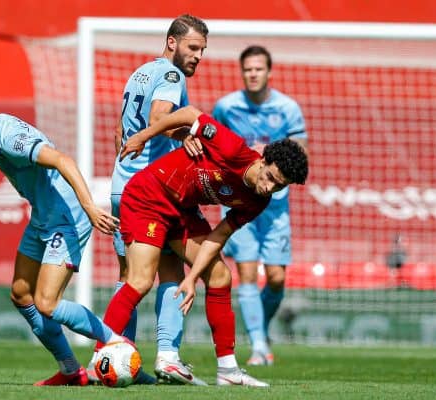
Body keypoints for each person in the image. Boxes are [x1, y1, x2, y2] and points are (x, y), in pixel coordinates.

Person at [100, 105, 308, 387]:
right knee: (140, 280)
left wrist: (192, 277)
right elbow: (188, 113)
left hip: (182, 210)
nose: (269, 187)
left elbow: (219, 236)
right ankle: (101, 358)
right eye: (270, 177)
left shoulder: (259, 201)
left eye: (279, 186)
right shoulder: (233, 149)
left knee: (221, 276)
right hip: (149, 196)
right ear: (263, 160)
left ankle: (228, 371)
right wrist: (144, 136)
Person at [0, 90, 123, 386]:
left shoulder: (9, 135)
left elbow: (62, 160)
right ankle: (71, 370)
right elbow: (7, 153)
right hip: (43, 216)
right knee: (21, 294)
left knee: (47, 303)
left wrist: (90, 206)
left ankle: (116, 342)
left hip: (66, 219)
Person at [87, 14, 209, 386]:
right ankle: (167, 357)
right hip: (153, 193)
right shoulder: (172, 77)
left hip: (122, 187)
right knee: (170, 273)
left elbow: (122, 130)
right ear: (171, 42)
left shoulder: (140, 72)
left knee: (129, 278)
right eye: (192, 47)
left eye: (202, 50)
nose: (198, 57)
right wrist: (183, 133)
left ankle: (118, 358)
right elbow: (159, 117)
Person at [212, 45, 308, 366]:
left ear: (269, 72)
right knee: (247, 273)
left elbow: (301, 153)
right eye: (248, 69)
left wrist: (271, 153)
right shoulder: (226, 107)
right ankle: (257, 347)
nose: (253, 74)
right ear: (242, 72)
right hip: (241, 201)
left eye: (258, 69)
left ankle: (260, 330)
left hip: (276, 205)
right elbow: (212, 143)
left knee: (277, 278)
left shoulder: (288, 108)